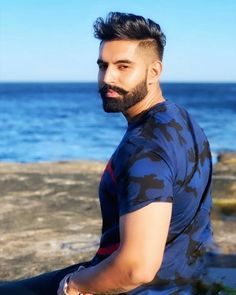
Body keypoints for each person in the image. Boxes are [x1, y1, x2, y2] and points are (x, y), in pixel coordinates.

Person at [0, 12, 213, 295]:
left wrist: (72, 286)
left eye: (123, 66)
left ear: (154, 71)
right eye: (103, 66)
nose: (107, 78)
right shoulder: (182, 119)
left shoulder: (143, 149)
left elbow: (137, 268)